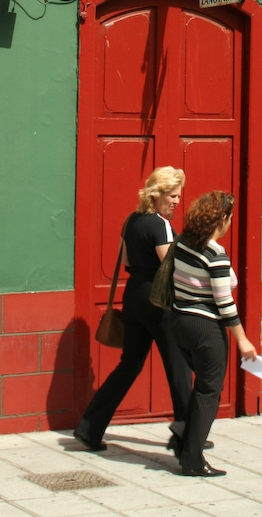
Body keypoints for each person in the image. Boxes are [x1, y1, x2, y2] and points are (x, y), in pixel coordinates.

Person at [74, 166, 192, 451]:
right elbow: (171, 267)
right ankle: (188, 436)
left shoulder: (132, 220)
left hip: (134, 297)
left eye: (178, 196)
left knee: (129, 365)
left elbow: (126, 259)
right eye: (172, 196)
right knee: (178, 365)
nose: (177, 201)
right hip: (159, 300)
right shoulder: (160, 225)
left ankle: (89, 428)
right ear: (157, 194)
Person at [170, 190, 257, 478]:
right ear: (222, 220)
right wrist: (242, 340)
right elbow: (224, 302)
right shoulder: (215, 254)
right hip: (206, 328)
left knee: (202, 387)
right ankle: (192, 459)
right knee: (209, 391)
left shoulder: (183, 242)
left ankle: (182, 438)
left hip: (180, 321)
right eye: (230, 218)